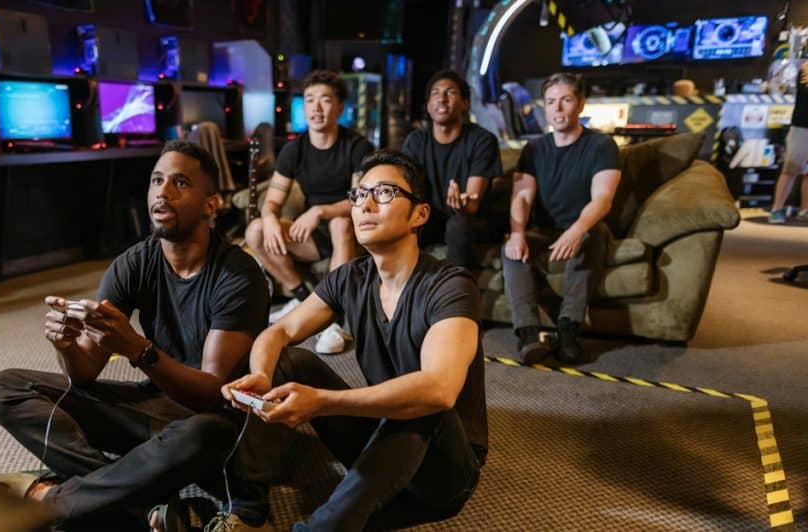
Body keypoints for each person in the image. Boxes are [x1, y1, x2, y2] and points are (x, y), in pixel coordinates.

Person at [0, 141, 272, 532]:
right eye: (156, 181)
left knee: (203, 432)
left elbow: (210, 395)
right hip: (151, 409)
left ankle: (56, 502)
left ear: (210, 205)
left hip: (213, 424)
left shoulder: (238, 275)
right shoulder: (134, 262)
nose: (162, 192)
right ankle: (132, 502)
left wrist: (138, 349)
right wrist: (65, 346)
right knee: (6, 388)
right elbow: (83, 375)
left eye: (180, 183)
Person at [225, 150, 487, 532]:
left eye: (382, 193)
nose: (364, 204)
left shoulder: (450, 286)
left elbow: (440, 390)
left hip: (444, 466)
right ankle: (244, 514)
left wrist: (324, 403)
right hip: (381, 442)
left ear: (420, 214)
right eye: (358, 195)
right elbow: (277, 332)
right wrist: (262, 379)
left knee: (420, 402)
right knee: (292, 362)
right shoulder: (351, 277)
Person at [244, 69, 374, 354]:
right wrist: (270, 220)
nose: (316, 107)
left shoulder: (357, 146)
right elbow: (273, 201)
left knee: (340, 223)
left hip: (351, 230)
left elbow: (360, 199)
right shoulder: (295, 150)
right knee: (255, 230)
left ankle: (334, 318)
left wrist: (320, 211)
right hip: (312, 235)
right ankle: (303, 298)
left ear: (339, 107)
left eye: (325, 100)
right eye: (310, 99)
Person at [502, 72, 621, 365]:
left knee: (592, 236)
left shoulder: (602, 146)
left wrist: (577, 229)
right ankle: (528, 334)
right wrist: (517, 233)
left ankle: (569, 330)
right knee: (512, 249)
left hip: (586, 226)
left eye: (565, 100)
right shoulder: (533, 149)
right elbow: (522, 197)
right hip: (544, 230)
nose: (557, 109)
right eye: (551, 102)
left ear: (580, 104)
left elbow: (602, 199)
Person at [402, 69, 503, 269]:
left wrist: (462, 204)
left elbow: (472, 205)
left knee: (457, 224)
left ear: (465, 104)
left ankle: (457, 295)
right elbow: (406, 189)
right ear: (429, 106)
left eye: (450, 92)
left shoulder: (482, 140)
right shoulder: (415, 142)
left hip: (471, 221)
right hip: (430, 218)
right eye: (435, 93)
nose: (442, 99)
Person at [770, 60, 808, 224]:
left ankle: (805, 209)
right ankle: (777, 209)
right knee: (791, 168)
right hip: (802, 125)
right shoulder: (806, 69)